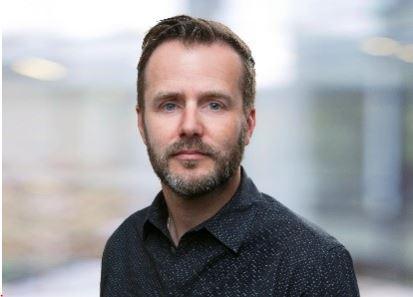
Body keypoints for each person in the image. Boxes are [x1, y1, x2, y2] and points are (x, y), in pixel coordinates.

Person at [100, 15, 360, 296]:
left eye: (214, 105)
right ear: (141, 124)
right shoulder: (124, 246)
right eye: (169, 105)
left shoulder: (313, 264)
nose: (190, 126)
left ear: (248, 125)